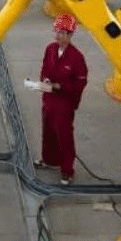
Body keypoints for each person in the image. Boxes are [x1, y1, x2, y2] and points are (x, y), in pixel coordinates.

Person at [34, 13, 88, 185]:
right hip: (48, 98)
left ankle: (67, 171)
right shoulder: (50, 49)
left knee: (64, 137)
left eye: (62, 33)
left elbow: (80, 83)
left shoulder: (76, 58)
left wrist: (60, 86)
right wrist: (45, 79)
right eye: (57, 31)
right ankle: (49, 160)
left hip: (64, 104)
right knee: (48, 132)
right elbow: (45, 68)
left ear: (70, 35)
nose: (58, 36)